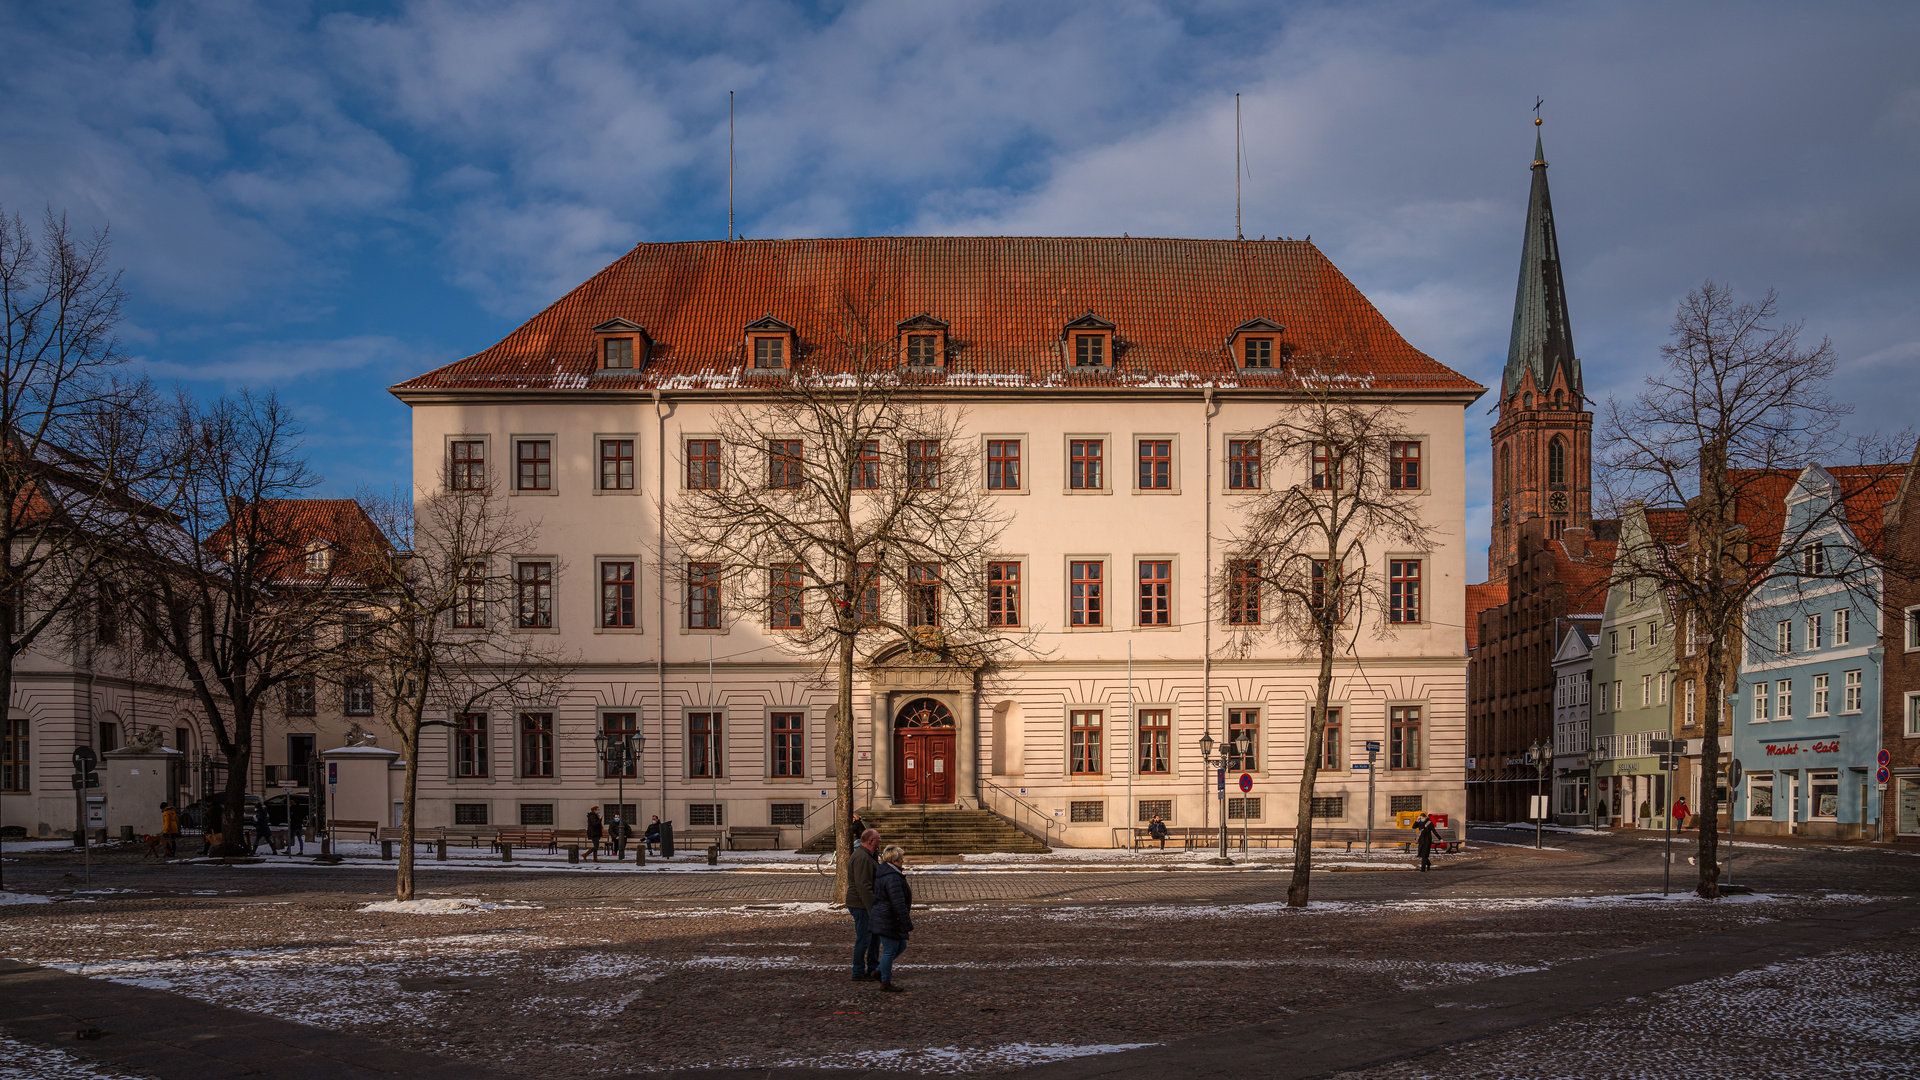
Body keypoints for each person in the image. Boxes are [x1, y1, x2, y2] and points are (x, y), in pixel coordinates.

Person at [868, 844, 914, 992]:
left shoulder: (888, 873)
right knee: (889, 950)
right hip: (888, 918)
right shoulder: (892, 877)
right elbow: (898, 903)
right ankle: (885, 981)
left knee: (900, 946)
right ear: (894, 860)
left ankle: (880, 970)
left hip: (886, 917)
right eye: (901, 859)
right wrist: (907, 923)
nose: (903, 861)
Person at [845, 828, 882, 981]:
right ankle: (858, 971)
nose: (880, 841)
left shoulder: (868, 855)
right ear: (870, 841)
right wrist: (873, 908)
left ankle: (872, 968)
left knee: (874, 938)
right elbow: (863, 886)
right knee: (864, 938)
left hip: (866, 905)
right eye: (878, 839)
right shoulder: (862, 857)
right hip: (861, 905)